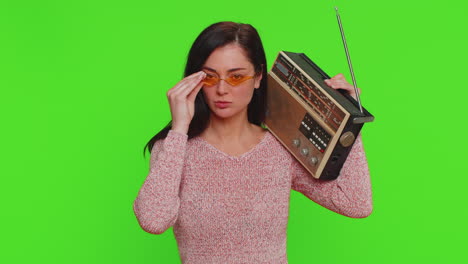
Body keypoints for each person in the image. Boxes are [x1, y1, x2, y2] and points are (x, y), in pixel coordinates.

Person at [134, 21, 372, 264]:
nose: (222, 89)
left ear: (258, 76)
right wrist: (179, 129)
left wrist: (350, 121)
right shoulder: (175, 149)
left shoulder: (281, 149)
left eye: (236, 76)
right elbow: (153, 220)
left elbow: (356, 203)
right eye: (210, 77)